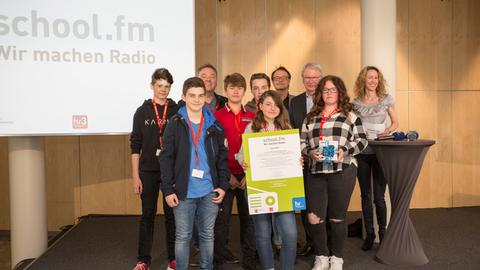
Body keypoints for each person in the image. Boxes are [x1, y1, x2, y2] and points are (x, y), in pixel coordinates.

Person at [160, 77, 230, 270]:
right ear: (184, 97)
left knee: (208, 235)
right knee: (183, 236)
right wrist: (167, 190)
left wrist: (223, 185)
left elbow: (222, 158)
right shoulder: (175, 123)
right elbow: (165, 159)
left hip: (209, 190)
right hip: (183, 191)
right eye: (192, 96)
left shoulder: (214, 125)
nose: (197, 100)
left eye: (200, 96)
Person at [301, 75, 368, 270]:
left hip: (343, 170)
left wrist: (344, 150)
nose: (329, 93)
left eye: (333, 90)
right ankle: (321, 256)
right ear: (320, 93)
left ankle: (337, 258)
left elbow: (362, 140)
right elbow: (302, 142)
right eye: (325, 90)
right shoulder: (310, 117)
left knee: (337, 217)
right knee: (314, 216)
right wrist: (310, 152)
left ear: (340, 92)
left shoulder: (350, 115)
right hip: (316, 170)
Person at [237, 90, 298, 270]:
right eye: (268, 104)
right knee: (263, 234)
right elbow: (241, 154)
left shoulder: (287, 127)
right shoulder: (252, 128)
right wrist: (244, 163)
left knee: (290, 233)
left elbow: (293, 155)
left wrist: (298, 160)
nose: (272, 108)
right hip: (258, 186)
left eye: (275, 104)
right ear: (260, 106)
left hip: (283, 187)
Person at [130, 68, 178, 270]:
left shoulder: (176, 110)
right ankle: (143, 260)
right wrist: (135, 176)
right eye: (159, 86)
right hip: (148, 171)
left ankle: (173, 258)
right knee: (147, 215)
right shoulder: (142, 112)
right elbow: (135, 144)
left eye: (167, 86)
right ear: (152, 86)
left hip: (171, 172)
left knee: (172, 216)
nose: (163, 90)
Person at [352, 66, 398, 250]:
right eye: (370, 77)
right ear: (363, 79)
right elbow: (353, 126)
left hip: (380, 153)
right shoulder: (355, 103)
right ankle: (369, 233)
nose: (373, 81)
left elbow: (396, 123)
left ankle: (383, 233)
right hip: (362, 153)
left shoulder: (386, 99)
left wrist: (387, 131)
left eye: (376, 78)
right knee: (365, 195)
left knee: (379, 196)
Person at [214, 73, 257, 270]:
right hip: (225, 174)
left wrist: (248, 175)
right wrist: (227, 175)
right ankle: (219, 261)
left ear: (244, 91)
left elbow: (258, 146)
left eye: (239, 87)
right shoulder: (216, 116)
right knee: (221, 221)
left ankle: (249, 262)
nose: (236, 91)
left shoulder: (254, 116)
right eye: (232, 87)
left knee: (249, 220)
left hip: (249, 174)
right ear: (226, 90)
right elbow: (214, 149)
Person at [289, 62, 323, 257]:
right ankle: (311, 242)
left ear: (321, 79)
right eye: (307, 78)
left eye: (315, 77)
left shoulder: (328, 98)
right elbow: (292, 130)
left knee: (321, 203)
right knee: (303, 204)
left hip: (324, 160)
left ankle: (323, 243)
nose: (311, 81)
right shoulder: (296, 102)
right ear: (303, 80)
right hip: (301, 160)